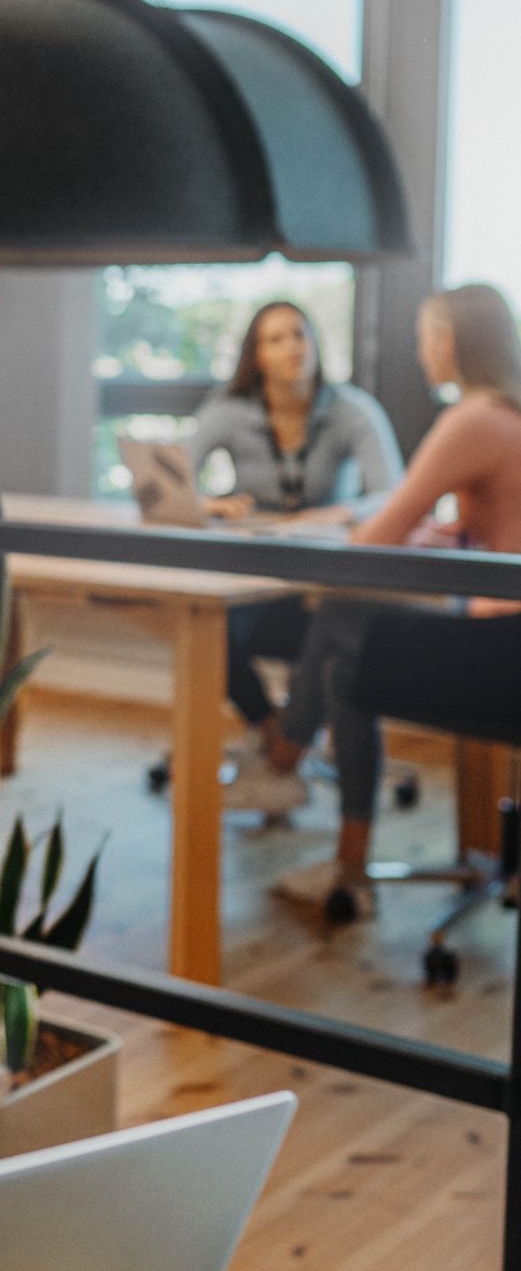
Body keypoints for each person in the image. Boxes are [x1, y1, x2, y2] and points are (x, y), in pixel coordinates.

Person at [251, 284, 521, 920]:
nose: (422, 352)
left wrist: (344, 530)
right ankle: (345, 860)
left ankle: (289, 752)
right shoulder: (511, 415)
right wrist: (452, 533)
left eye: (426, 337)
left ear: (449, 342)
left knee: (344, 615)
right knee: (351, 654)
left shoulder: (473, 419)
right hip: (506, 638)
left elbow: (371, 544)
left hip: (502, 656)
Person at [186, 301, 403, 816]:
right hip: (254, 574)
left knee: (333, 632)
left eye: (299, 335)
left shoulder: (351, 410)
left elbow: (393, 494)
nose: (291, 348)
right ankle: (276, 734)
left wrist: (341, 513)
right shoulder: (229, 411)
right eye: (275, 339)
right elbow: (169, 481)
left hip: (325, 577)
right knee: (208, 628)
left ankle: (283, 756)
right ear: (254, 355)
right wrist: (207, 503)